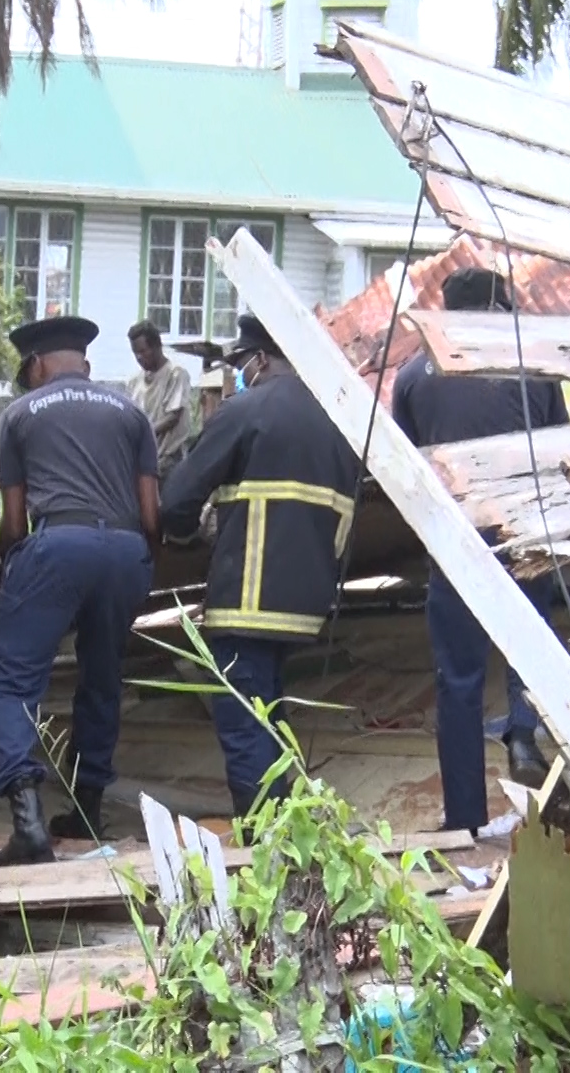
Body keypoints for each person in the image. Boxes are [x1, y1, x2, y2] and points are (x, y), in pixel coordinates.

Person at [159, 314, 360, 816]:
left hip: (245, 600)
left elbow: (177, 500)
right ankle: (288, 836)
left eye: (243, 364)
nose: (242, 373)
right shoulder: (342, 419)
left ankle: (263, 850)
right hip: (307, 604)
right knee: (272, 722)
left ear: (262, 359)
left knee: (246, 731)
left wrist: (191, 530)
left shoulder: (245, 409)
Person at [390, 267, 563, 835]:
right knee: (535, 659)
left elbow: (408, 465)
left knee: (459, 681)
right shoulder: (531, 363)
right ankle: (534, 755)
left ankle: (465, 819)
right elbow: (563, 446)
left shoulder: (415, 374)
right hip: (522, 534)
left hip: (457, 541)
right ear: (499, 304)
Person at [0, 315, 159, 864]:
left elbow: (12, 522)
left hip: (59, 545)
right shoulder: (132, 412)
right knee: (102, 676)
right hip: (128, 550)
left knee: (8, 677)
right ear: (85, 362)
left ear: (36, 365)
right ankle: (85, 809)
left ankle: (28, 822)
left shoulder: (18, 415)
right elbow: (152, 513)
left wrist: (18, 567)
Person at [127, 321, 192, 479]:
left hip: (169, 461)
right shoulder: (134, 382)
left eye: (143, 351)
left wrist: (144, 434)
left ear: (157, 346)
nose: (139, 357)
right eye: (135, 353)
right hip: (142, 460)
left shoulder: (176, 374)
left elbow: (172, 417)